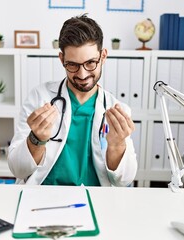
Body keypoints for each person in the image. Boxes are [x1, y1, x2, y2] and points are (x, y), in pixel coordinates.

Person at [8, 14, 137, 186]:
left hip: (94, 200)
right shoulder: (40, 97)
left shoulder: (117, 110)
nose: (82, 75)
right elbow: (18, 169)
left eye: (91, 63)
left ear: (103, 56)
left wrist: (116, 145)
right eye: (73, 65)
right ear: (62, 59)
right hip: (42, 198)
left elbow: (124, 181)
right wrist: (36, 139)